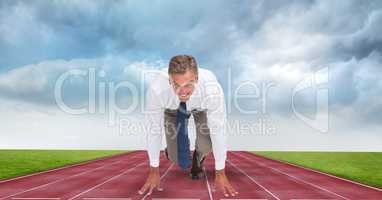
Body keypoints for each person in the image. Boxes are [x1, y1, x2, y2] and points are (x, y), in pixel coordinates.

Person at [139, 55, 238, 197]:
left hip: (201, 108)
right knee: (175, 158)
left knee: (206, 145)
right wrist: (154, 170)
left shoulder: (211, 90)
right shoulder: (157, 90)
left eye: (188, 85)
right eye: (176, 85)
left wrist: (220, 172)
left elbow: (219, 129)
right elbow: (153, 129)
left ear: (196, 79)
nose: (182, 92)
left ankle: (198, 159)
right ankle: (171, 151)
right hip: (173, 109)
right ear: (169, 81)